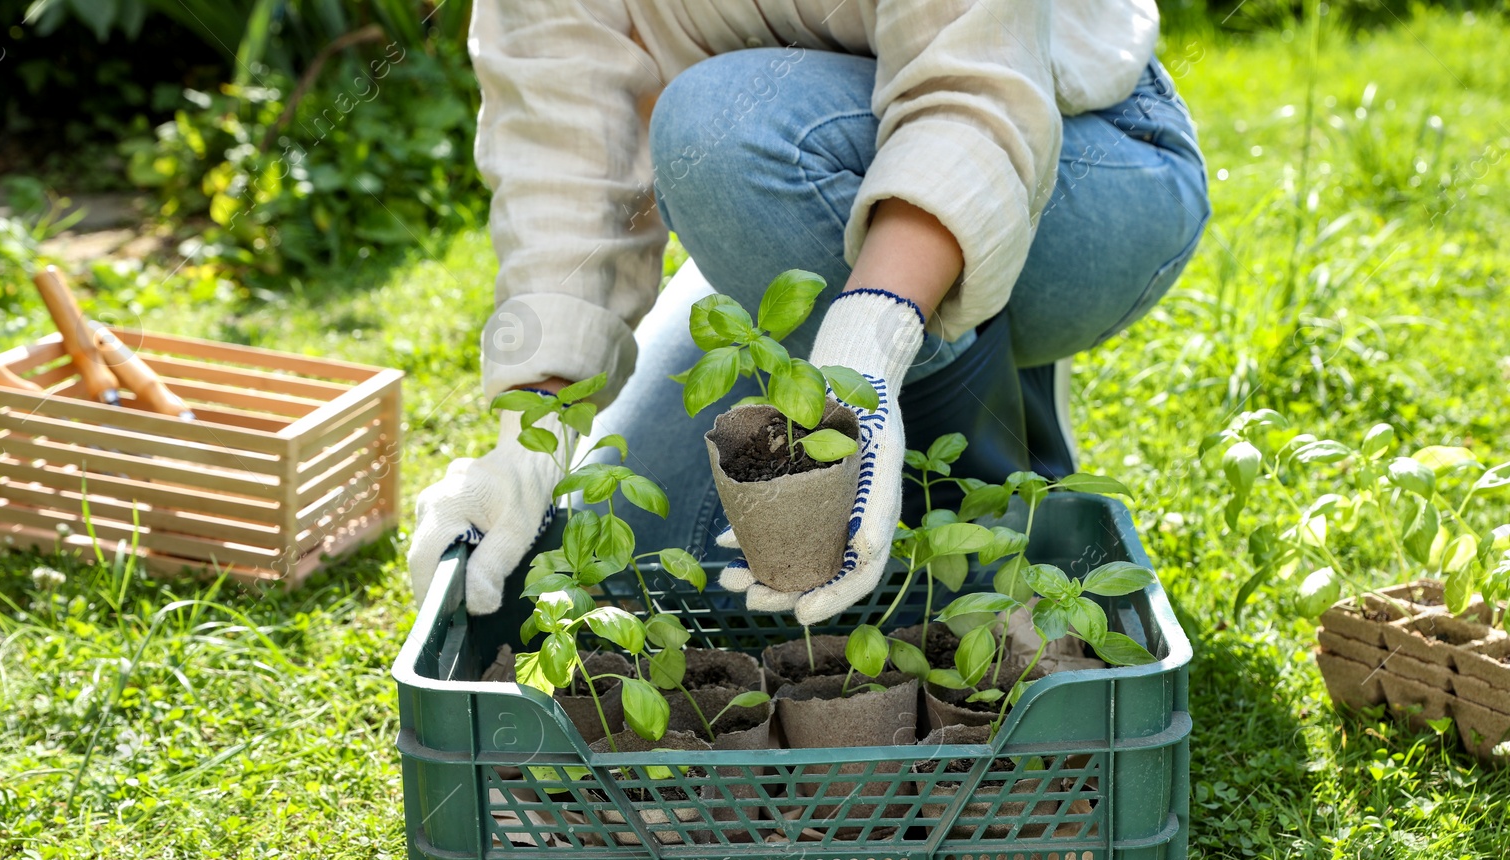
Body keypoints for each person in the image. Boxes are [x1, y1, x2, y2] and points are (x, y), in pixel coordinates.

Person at [408, 0, 1209, 625]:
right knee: (643, 540)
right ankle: (955, 357)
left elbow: (972, 91)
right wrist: (533, 433)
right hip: (806, 171)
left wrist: (866, 350)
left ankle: (995, 491)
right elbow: (565, 155)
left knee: (712, 129)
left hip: (1080, 152)